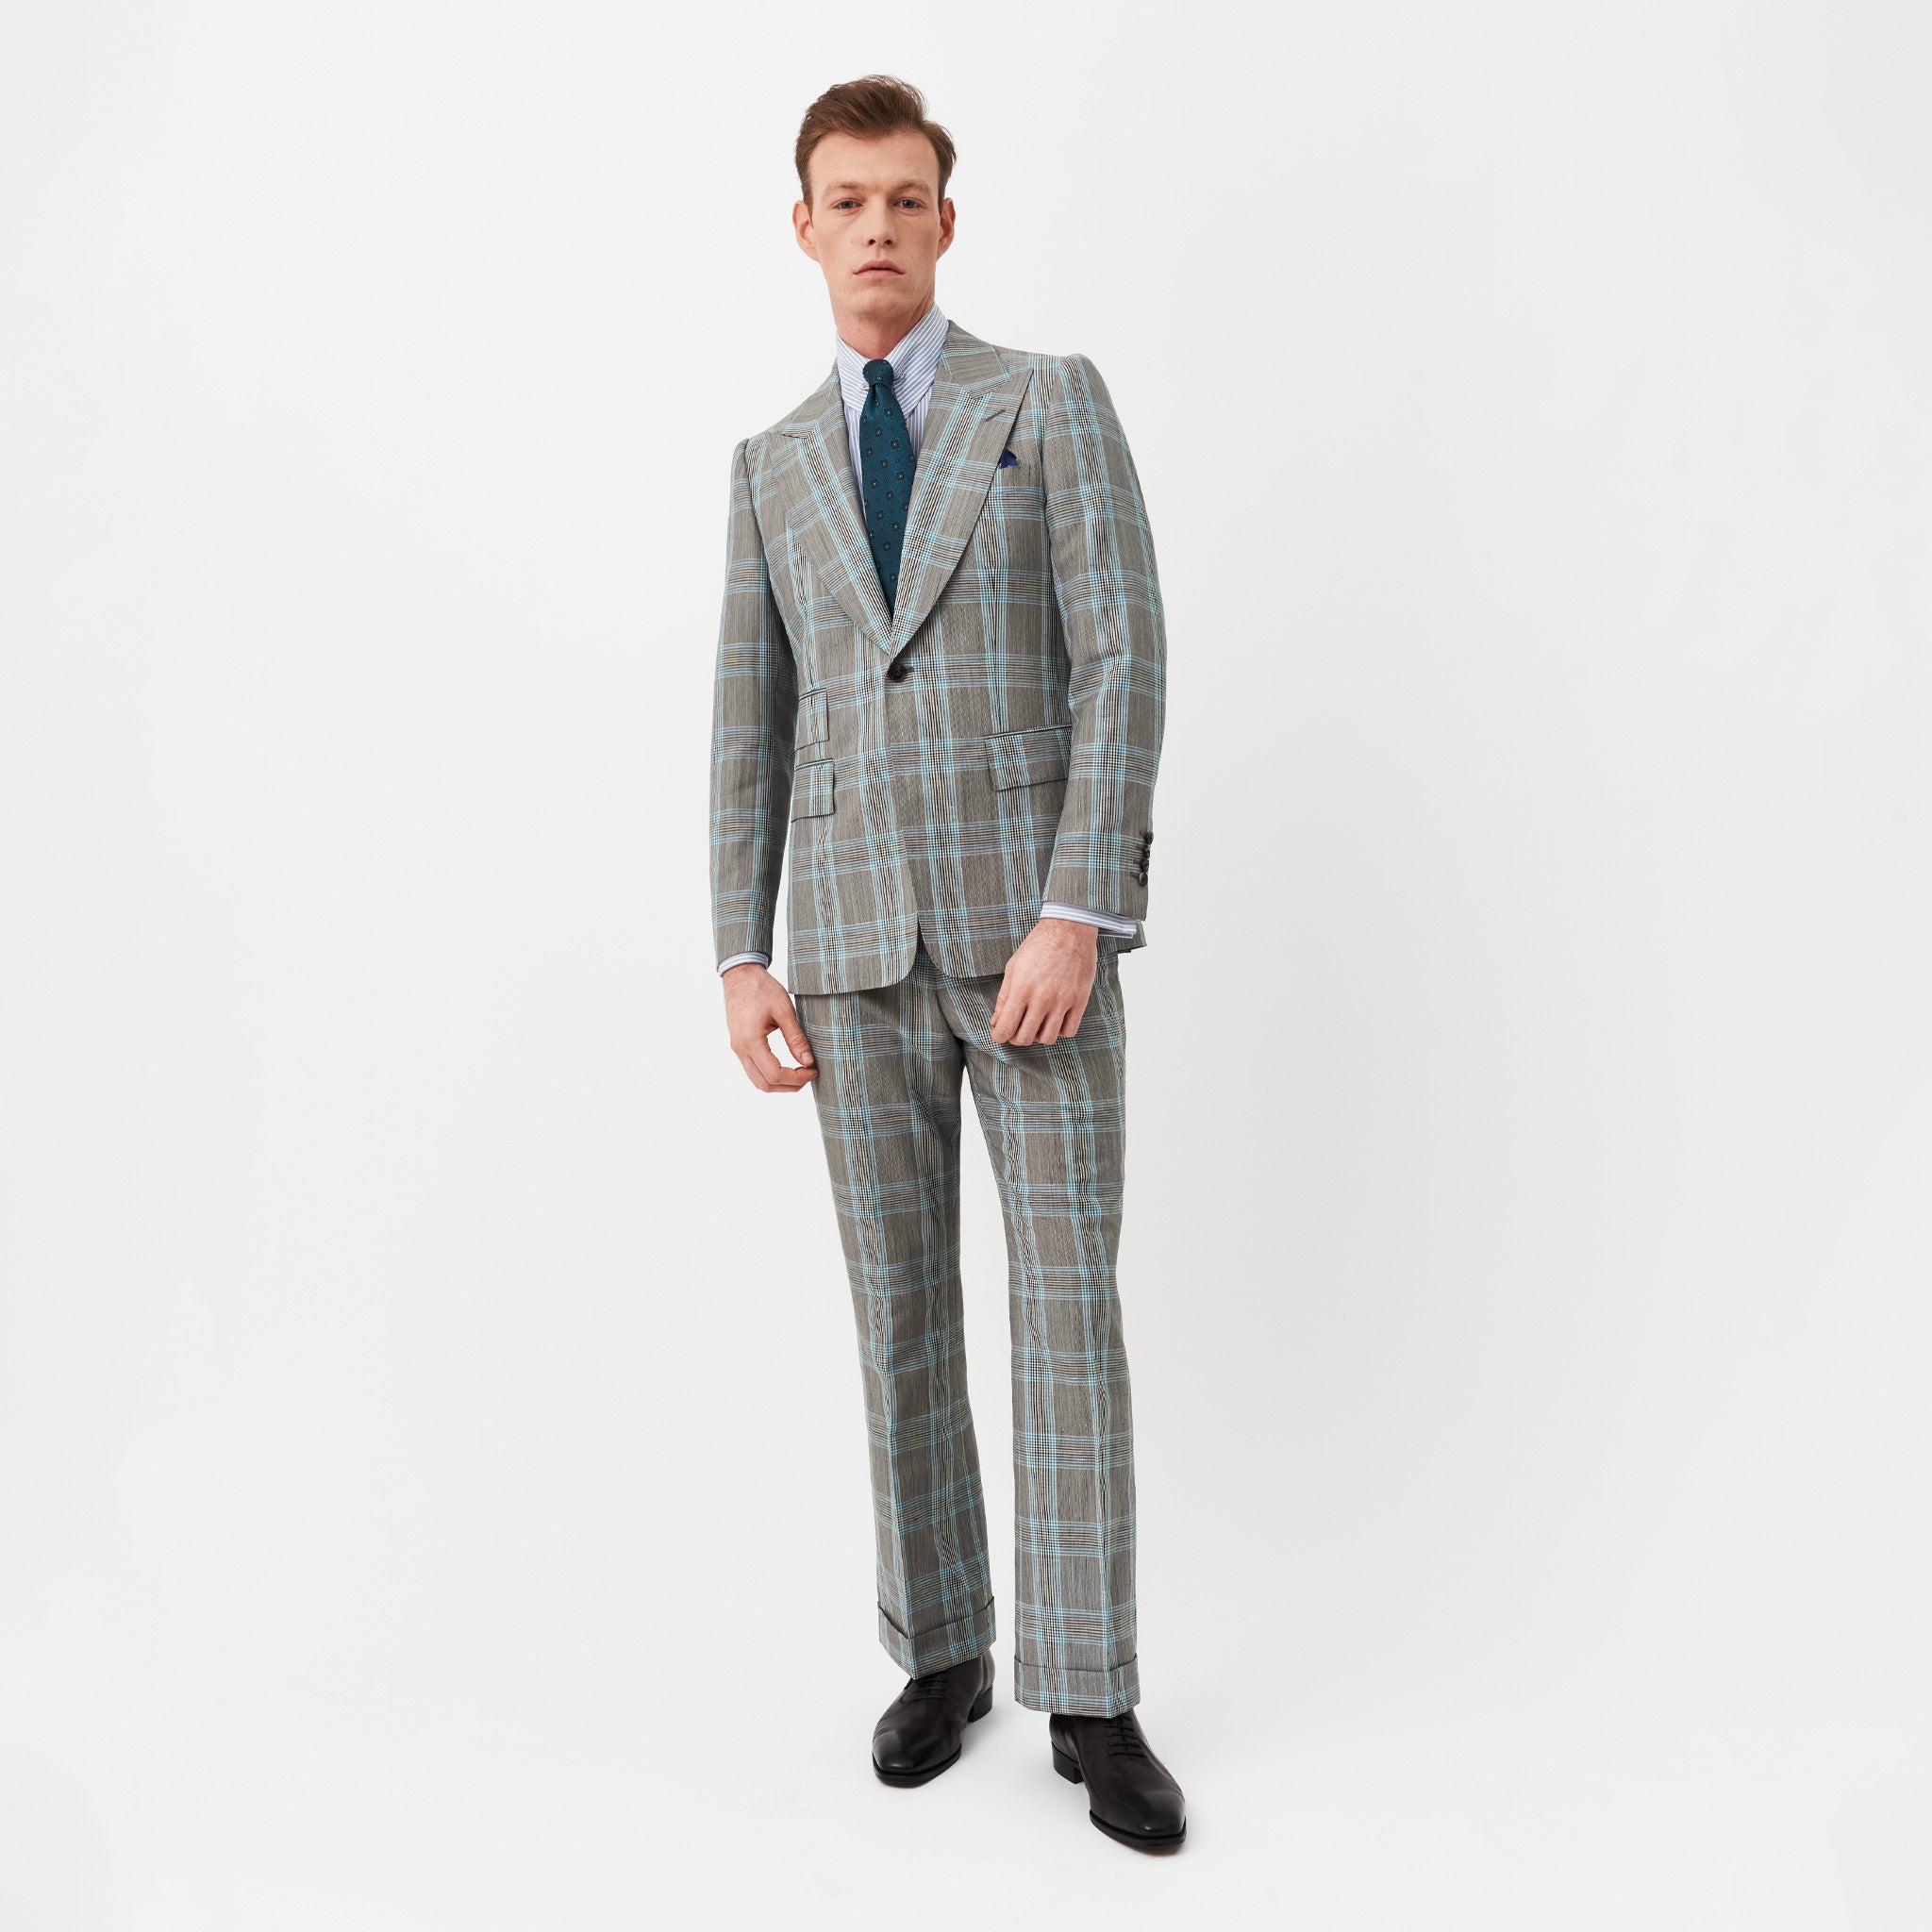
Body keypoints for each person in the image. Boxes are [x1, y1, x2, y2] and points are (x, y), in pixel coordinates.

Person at [708, 74, 1184, 1851]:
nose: (878, 227)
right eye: (848, 201)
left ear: (946, 220)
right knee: (896, 1313)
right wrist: (740, 950)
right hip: (845, 953)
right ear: (806, 226)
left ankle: (1095, 1695)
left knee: (1066, 1314)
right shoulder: (770, 466)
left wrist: (1081, 908)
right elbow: (748, 722)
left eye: (905, 197)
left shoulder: (1045, 401)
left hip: (1030, 948)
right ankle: (942, 1650)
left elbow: (1122, 656)